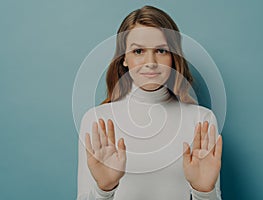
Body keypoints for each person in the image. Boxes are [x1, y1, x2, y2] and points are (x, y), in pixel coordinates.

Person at [77, 5, 223, 200]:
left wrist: (204, 192)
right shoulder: (97, 120)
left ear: (173, 57)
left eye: (161, 51)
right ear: (124, 58)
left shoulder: (201, 120)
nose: (150, 62)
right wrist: (104, 189)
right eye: (138, 51)